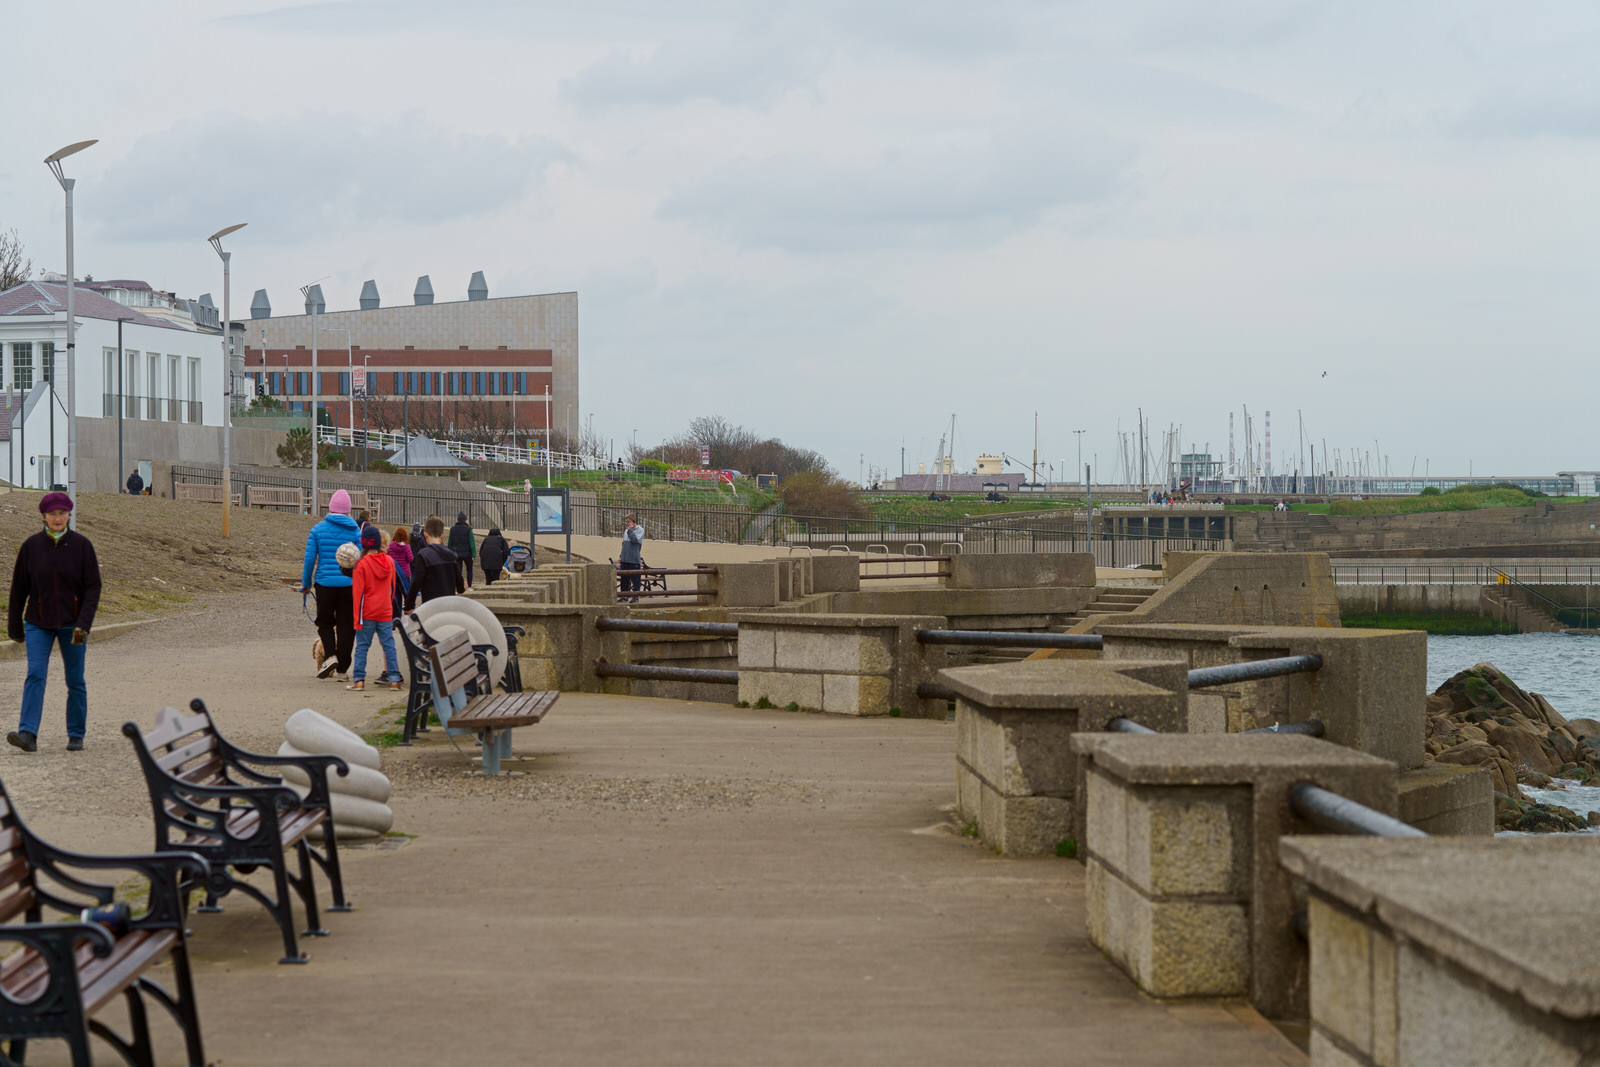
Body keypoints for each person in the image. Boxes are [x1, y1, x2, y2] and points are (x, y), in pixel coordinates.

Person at [6, 493, 101, 753]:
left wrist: (84, 623)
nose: (57, 518)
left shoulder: (82, 546)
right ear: (44, 516)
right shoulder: (31, 547)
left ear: (69, 515)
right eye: (52, 513)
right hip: (38, 624)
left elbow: (93, 588)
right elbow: (18, 589)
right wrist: (15, 626)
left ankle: (76, 734)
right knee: (35, 674)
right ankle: (27, 734)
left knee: (75, 679)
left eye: (62, 513)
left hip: (76, 627)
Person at [301, 488, 362, 680]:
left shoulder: (317, 530)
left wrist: (306, 583)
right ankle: (343, 667)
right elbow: (361, 559)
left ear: (331, 508)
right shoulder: (355, 531)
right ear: (348, 510)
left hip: (324, 583)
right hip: (349, 584)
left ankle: (330, 656)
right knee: (346, 625)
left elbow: (310, 558)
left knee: (325, 622)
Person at [348, 527, 401, 692]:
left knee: (362, 646)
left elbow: (358, 593)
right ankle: (394, 679)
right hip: (385, 610)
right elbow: (393, 588)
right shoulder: (390, 562)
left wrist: (357, 618)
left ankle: (359, 680)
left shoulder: (360, 564)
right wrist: (388, 605)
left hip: (367, 612)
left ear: (363, 543)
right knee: (389, 645)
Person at [407, 514, 465, 612]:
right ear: (442, 536)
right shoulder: (452, 555)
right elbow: (460, 587)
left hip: (431, 606)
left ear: (425, 535)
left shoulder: (424, 555)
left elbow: (416, 582)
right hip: (449, 606)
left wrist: (409, 605)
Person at [618, 514, 644, 602]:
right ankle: (624, 596)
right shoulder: (626, 530)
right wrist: (621, 556)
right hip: (625, 559)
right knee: (624, 578)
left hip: (633, 559)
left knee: (635, 578)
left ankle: (635, 596)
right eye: (626, 522)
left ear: (633, 521)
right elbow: (624, 544)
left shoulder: (640, 530)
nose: (627, 524)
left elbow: (635, 540)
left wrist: (630, 531)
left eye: (628, 522)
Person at [387, 525, 414, 609]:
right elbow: (410, 559)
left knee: (396, 592)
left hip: (394, 572)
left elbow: (388, 557)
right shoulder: (406, 547)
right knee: (406, 590)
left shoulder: (391, 546)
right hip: (405, 572)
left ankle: (397, 607)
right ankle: (408, 606)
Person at [448, 512, 476, 589]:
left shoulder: (453, 529)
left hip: (457, 553)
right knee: (469, 570)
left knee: (458, 570)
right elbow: (472, 543)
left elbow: (450, 542)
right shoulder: (469, 529)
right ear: (465, 519)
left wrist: (449, 552)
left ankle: (459, 585)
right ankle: (469, 585)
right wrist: (474, 554)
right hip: (468, 553)